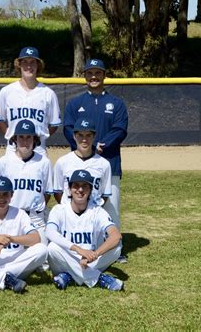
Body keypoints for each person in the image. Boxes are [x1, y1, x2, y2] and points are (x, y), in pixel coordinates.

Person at [63, 59, 128, 263]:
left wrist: (102, 145)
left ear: (104, 75)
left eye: (97, 73)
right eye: (90, 73)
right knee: (78, 204)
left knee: (111, 206)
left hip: (109, 162)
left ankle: (115, 246)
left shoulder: (116, 104)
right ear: (84, 76)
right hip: (80, 163)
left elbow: (120, 129)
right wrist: (84, 150)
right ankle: (78, 244)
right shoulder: (75, 103)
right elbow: (68, 128)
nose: (93, 77)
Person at [46, 169, 124, 291]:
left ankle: (70, 276)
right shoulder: (59, 209)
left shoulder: (97, 211)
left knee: (117, 247)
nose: (80, 190)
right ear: (69, 189)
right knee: (52, 248)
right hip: (65, 258)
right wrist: (78, 249)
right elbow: (50, 232)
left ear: (90, 190)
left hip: (90, 260)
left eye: (85, 186)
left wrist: (94, 254)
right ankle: (99, 279)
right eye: (76, 186)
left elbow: (115, 236)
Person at [0, 46, 61, 156]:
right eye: (25, 62)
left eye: (32, 62)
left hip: (38, 150)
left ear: (38, 65)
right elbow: (0, 119)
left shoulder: (48, 93)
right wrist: (10, 135)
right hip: (13, 149)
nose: (29, 66)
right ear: (19, 64)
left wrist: (41, 137)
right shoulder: (6, 91)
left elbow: (54, 124)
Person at [0, 120, 53, 243]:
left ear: (35, 140)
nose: (25, 141)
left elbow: (47, 193)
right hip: (11, 216)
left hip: (35, 218)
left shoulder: (44, 162)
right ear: (15, 139)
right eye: (21, 137)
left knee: (41, 252)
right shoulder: (4, 162)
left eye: (29, 137)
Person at [54, 118, 111, 206]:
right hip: (69, 214)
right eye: (80, 135)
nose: (84, 140)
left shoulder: (104, 164)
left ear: (94, 136)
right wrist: (69, 210)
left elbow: (105, 194)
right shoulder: (62, 162)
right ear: (74, 136)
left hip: (93, 213)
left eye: (88, 135)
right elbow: (58, 192)